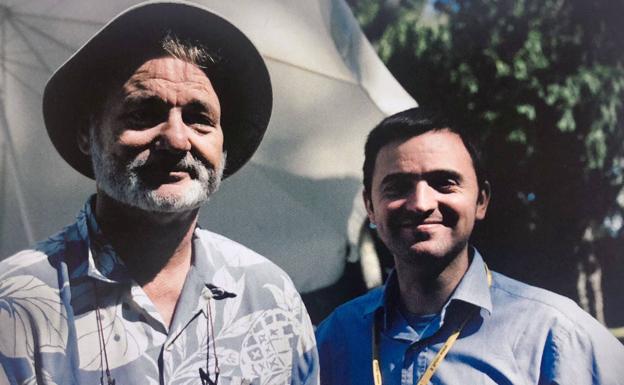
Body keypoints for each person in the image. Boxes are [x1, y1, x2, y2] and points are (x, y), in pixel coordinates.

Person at [0, 2, 318, 384]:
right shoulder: (18, 304)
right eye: (143, 113)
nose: (176, 138)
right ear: (88, 134)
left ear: (224, 145)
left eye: (200, 119)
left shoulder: (270, 298)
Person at [315, 107, 624, 385]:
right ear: (370, 206)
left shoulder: (554, 336)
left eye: (444, 182)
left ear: (481, 200)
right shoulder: (333, 339)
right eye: (397, 186)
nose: (421, 203)